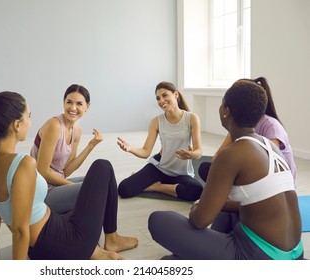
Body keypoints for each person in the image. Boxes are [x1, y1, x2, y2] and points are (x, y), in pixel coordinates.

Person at [0, 91, 138, 260]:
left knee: (78, 206)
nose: (31, 123)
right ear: (17, 125)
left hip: (40, 247)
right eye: (29, 116)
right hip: (65, 245)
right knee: (103, 167)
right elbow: (19, 230)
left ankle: (95, 251)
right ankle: (111, 240)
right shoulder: (23, 164)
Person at [148, 79, 304, 260]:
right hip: (295, 253)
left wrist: (198, 205)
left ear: (225, 111)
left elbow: (199, 220)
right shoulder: (271, 146)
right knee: (222, 211)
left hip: (260, 257)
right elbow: (256, 202)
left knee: (159, 221)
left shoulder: (232, 154)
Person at [198, 77, 297, 188]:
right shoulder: (239, 125)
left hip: (273, 184)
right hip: (254, 177)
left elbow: (267, 166)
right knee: (208, 169)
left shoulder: (272, 126)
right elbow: (217, 157)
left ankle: (232, 199)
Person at [117, 81, 203, 201]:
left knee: (196, 190)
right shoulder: (156, 121)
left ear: (176, 94)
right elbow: (145, 152)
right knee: (124, 189)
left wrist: (192, 154)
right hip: (160, 167)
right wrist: (130, 149)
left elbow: (199, 151)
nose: (161, 100)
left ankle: (156, 186)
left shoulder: (192, 118)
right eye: (158, 98)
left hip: (181, 172)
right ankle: (164, 185)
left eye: (165, 95)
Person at [30, 84, 103, 213]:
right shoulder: (54, 126)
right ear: (63, 103)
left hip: (57, 184)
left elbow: (67, 171)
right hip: (42, 191)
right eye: (69, 102)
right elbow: (42, 171)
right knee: (93, 189)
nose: (73, 108)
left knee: (100, 180)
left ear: (87, 106)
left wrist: (91, 146)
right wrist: (72, 185)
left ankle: (110, 232)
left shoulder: (77, 130)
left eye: (79, 104)